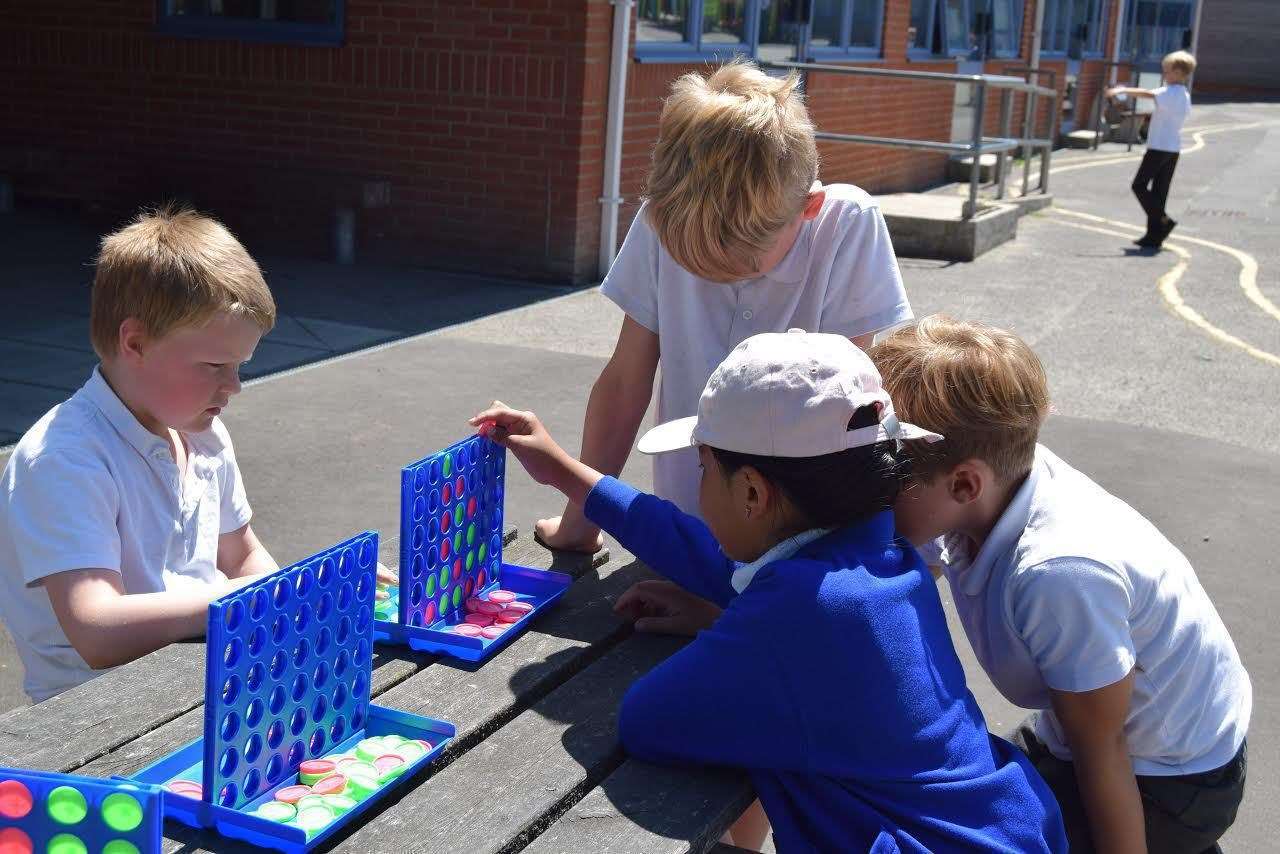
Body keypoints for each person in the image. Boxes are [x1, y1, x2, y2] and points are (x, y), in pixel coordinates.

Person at [472, 330, 1067, 853]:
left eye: (705, 470)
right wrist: (562, 470)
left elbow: (649, 719)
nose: (700, 489)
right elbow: (709, 554)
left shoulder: (803, 609)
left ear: (753, 494)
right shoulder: (880, 560)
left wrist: (735, 631)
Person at [872, 315, 1251, 854]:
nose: (869, 491)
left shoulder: (1058, 574)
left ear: (964, 483)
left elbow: (1104, 749)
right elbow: (908, 578)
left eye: (883, 476)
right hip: (1089, 731)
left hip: (1172, 781)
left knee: (970, 837)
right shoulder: (990, 485)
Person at [536, 59, 911, 553]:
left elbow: (842, 418)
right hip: (687, 525)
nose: (715, 272)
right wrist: (582, 520)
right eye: (695, 257)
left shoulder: (849, 223)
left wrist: (723, 596)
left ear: (808, 208)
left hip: (798, 548)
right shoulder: (663, 218)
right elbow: (627, 382)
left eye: (738, 258)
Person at [0, 207, 280, 702]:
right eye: (215, 364)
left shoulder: (203, 434)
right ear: (135, 342)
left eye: (240, 366)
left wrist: (303, 595)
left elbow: (241, 556)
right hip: (100, 715)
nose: (234, 386)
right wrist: (244, 600)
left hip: (206, 679)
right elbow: (97, 628)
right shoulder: (64, 458)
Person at [1107, 50, 1196, 248]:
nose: (1164, 74)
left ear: (1179, 73)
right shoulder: (1184, 95)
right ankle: (1154, 236)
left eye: (1167, 71)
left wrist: (1121, 90)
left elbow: (1147, 94)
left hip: (1159, 147)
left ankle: (1164, 221)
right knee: (1159, 192)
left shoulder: (1169, 91)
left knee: (1138, 186)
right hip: (1173, 148)